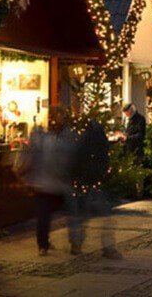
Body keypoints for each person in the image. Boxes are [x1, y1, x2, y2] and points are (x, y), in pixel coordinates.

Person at [25, 106, 78, 256]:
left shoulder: (65, 137)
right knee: (45, 216)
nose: (58, 119)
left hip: (58, 183)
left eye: (61, 115)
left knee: (68, 214)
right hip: (47, 183)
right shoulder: (47, 137)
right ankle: (43, 244)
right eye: (56, 116)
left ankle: (73, 242)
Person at [71, 120, 122, 258]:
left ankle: (77, 244)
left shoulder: (83, 141)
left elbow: (76, 161)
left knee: (83, 216)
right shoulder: (100, 142)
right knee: (104, 216)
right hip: (95, 183)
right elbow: (104, 161)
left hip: (85, 183)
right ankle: (108, 247)